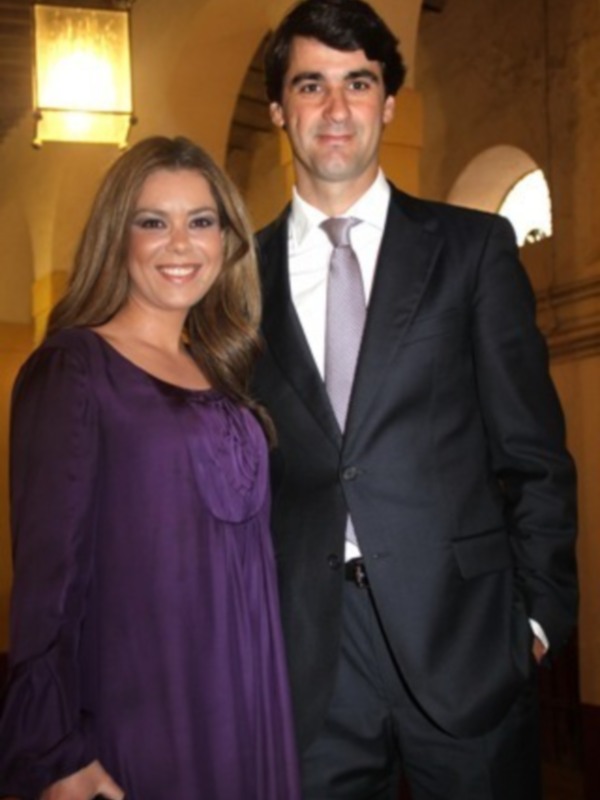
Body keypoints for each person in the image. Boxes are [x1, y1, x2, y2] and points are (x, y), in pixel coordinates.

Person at [252, 1, 578, 798]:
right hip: (308, 657)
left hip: (467, 640)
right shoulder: (236, 279)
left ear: (388, 103)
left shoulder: (472, 249)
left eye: (358, 83)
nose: (336, 108)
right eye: (311, 85)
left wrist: (537, 621)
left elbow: (533, 455)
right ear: (279, 110)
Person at [0, 136, 301, 800]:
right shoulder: (75, 367)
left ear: (225, 240)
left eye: (201, 221)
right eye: (153, 222)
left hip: (248, 698)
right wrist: (54, 749)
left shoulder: (223, 371)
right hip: (141, 707)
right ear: (119, 236)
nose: (181, 244)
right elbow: (47, 579)